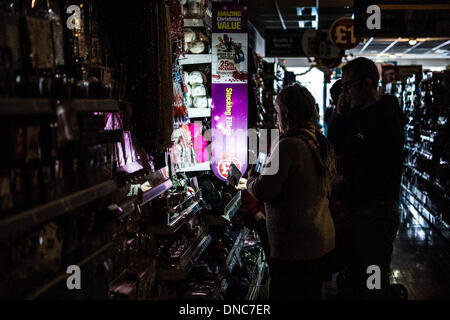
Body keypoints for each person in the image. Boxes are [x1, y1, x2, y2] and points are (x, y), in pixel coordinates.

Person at [236, 83, 337, 299]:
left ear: (288, 114)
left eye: (278, 113)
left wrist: (251, 179)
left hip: (296, 246)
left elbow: (264, 190)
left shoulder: (288, 145)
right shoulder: (318, 140)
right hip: (319, 239)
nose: (277, 119)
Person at [331, 57, 406, 299]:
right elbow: (334, 143)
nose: (345, 92)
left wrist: (346, 183)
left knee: (373, 281)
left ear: (366, 84)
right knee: (355, 279)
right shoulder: (356, 115)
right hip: (356, 213)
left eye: (348, 86)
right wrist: (341, 111)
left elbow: (379, 170)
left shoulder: (386, 117)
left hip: (375, 216)